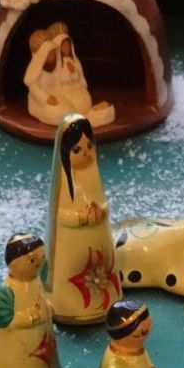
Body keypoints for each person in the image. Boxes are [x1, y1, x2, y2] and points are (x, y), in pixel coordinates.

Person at [45, 114, 120, 324]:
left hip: (97, 236)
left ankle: (105, 303)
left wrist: (102, 212)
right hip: (71, 243)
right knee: (74, 269)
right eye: (77, 150)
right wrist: (80, 218)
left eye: (89, 146)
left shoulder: (92, 176)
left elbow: (102, 202)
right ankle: (69, 306)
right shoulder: (64, 184)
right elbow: (60, 215)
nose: (86, 153)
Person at [0, 232, 60, 368]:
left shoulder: (37, 280)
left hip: (42, 337)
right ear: (13, 264)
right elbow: (7, 322)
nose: (38, 264)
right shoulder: (10, 291)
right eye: (32, 260)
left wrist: (47, 307)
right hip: (13, 346)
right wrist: (31, 317)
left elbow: (41, 296)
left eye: (41, 257)